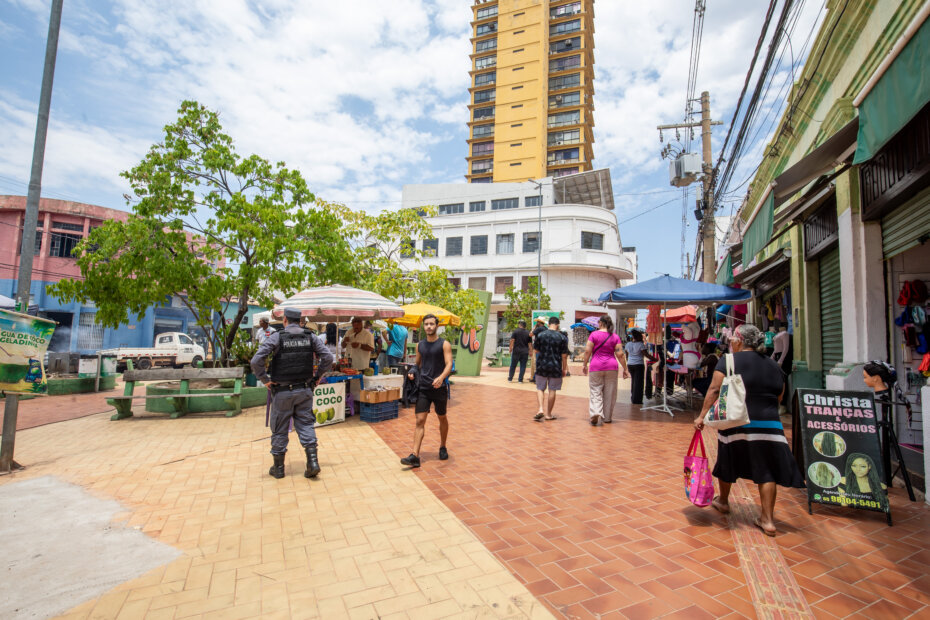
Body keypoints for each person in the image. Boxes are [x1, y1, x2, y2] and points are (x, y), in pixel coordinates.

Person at [694, 324, 804, 537]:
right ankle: (768, 520)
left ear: (739, 340)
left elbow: (715, 389)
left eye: (733, 339)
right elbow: (780, 394)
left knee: (728, 459)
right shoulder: (774, 365)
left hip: (737, 421)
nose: (731, 343)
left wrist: (702, 416)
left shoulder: (728, 361)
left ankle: (724, 501)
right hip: (769, 424)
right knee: (767, 469)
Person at [251, 307, 333, 479]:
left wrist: (264, 379)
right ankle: (312, 462)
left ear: (285, 320)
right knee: (306, 425)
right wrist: (317, 377)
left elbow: (256, 360)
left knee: (280, 428)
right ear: (300, 320)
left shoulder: (277, 337)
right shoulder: (311, 336)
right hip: (304, 390)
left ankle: (279, 469)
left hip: (282, 392)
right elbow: (328, 358)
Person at [401, 314, 454, 468]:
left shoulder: (444, 344)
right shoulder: (420, 345)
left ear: (437, 326)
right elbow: (417, 364)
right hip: (423, 387)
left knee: (442, 417)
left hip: (439, 388)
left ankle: (443, 446)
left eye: (431, 324)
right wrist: (412, 370)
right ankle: (415, 456)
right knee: (420, 420)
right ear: (423, 327)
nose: (429, 326)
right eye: (426, 324)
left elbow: (449, 363)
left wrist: (441, 377)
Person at [582, 315, 630, 425]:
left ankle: (596, 411)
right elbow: (620, 354)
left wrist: (584, 365)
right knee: (610, 392)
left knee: (595, 390)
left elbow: (587, 351)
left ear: (600, 323)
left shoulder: (593, 335)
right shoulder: (615, 337)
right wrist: (625, 369)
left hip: (596, 366)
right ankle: (607, 417)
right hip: (611, 367)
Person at [533, 316, 570, 422]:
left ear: (548, 324)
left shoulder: (540, 335)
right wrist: (564, 368)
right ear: (557, 325)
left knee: (540, 388)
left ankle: (540, 408)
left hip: (542, 365)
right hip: (555, 366)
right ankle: (548, 414)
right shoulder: (562, 337)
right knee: (552, 390)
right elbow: (564, 355)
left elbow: (536, 350)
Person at [624, 330, 654, 405]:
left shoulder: (628, 344)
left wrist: (629, 361)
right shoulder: (641, 345)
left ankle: (633, 397)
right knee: (639, 383)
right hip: (639, 365)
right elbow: (646, 354)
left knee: (634, 381)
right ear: (638, 337)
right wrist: (654, 359)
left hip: (630, 364)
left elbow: (627, 355)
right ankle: (637, 400)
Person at [529, 317, 547, 381]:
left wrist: (534, 328)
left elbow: (530, 334)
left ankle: (535, 378)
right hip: (545, 349)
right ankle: (539, 377)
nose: (536, 323)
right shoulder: (546, 329)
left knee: (536, 364)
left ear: (539, 322)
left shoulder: (539, 329)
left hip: (537, 349)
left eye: (537, 322)